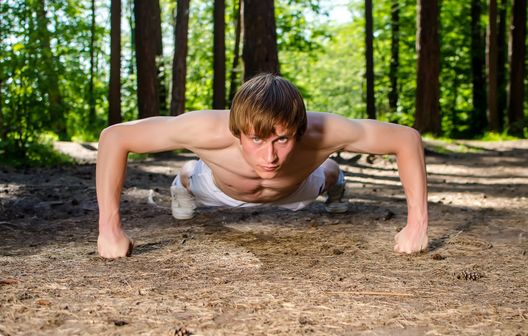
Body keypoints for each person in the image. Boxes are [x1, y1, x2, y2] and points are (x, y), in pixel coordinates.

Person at [96, 73, 428, 258]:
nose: (269, 158)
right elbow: (115, 138)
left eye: (282, 140)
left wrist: (417, 226)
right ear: (237, 132)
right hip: (217, 190)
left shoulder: (323, 130)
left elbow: (406, 139)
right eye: (256, 140)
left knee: (328, 171)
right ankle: (183, 183)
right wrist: (109, 230)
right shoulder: (204, 130)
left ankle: (337, 182)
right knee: (189, 174)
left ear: (299, 131)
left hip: (296, 190)